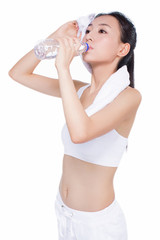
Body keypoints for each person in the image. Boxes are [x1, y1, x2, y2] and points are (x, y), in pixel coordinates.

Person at [9, 11, 142, 240]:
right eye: (88, 30)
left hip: (98, 226)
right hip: (64, 215)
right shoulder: (79, 91)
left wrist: (63, 68)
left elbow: (81, 133)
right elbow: (18, 73)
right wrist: (55, 37)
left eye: (101, 31)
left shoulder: (129, 97)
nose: (89, 36)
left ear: (122, 49)